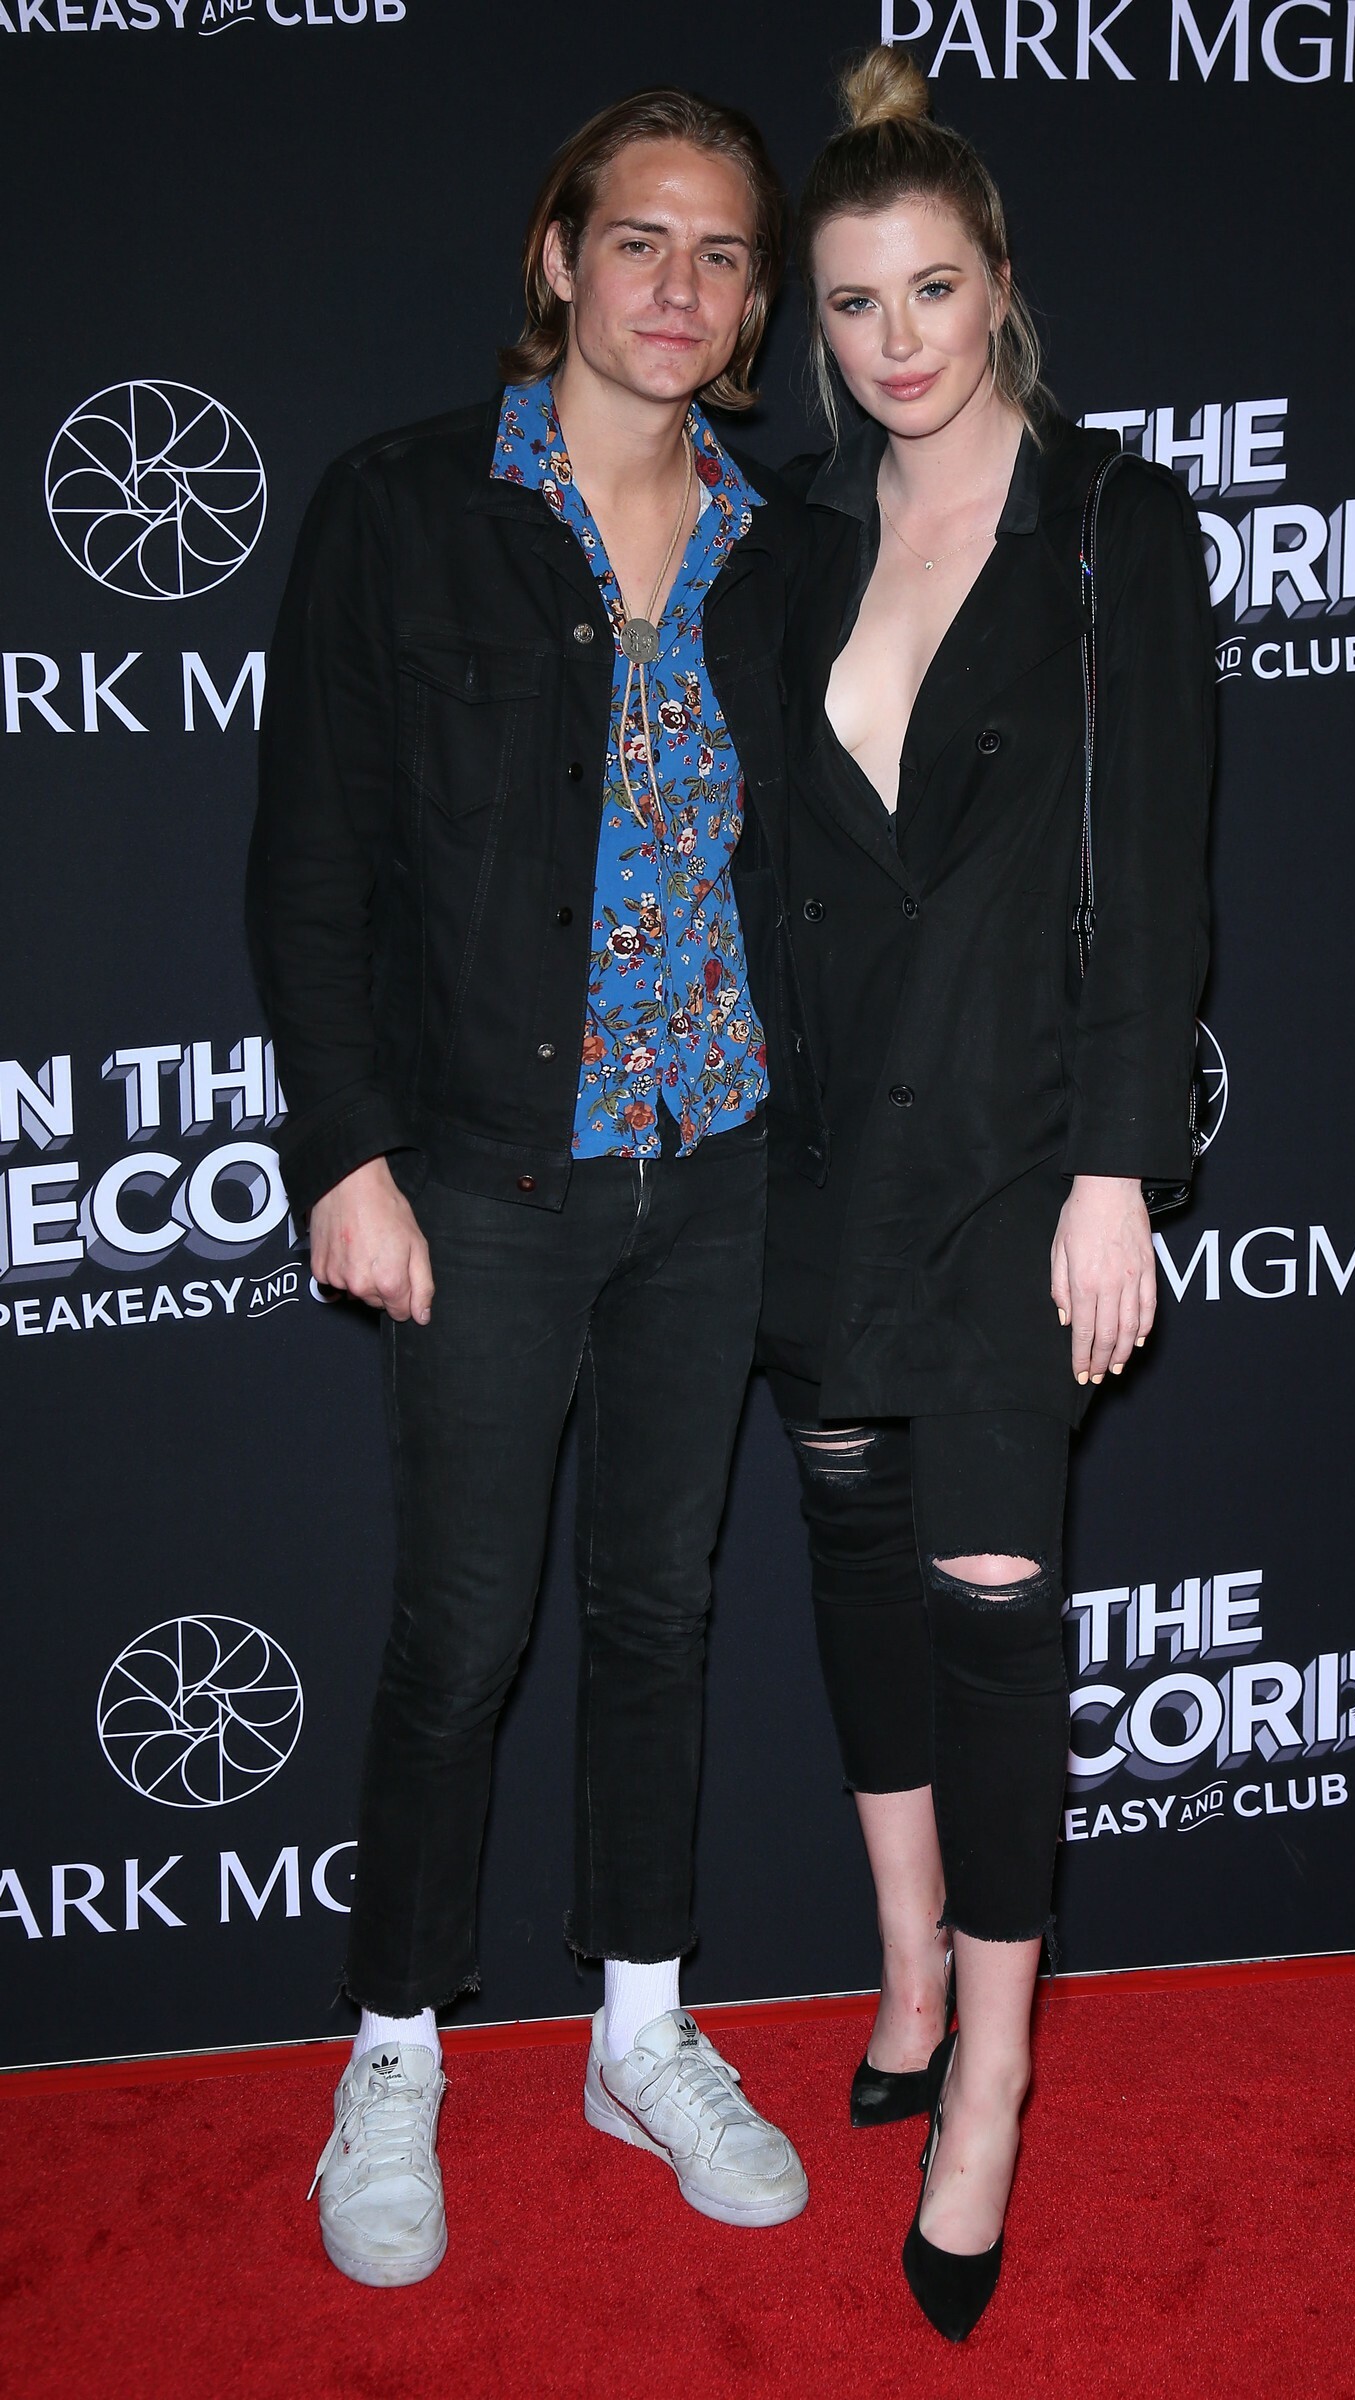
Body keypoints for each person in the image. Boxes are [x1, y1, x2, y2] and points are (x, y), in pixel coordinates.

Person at [247, 86, 823, 2288]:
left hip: (716, 1169)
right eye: (642, 240)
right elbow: (312, 866)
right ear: (560, 256)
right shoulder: (406, 508)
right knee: (465, 1632)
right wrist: (345, 1153)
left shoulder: (780, 547)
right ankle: (392, 2052)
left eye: (724, 255)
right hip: (480, 1176)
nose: (681, 286)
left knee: (663, 1615)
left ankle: (639, 2031)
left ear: (753, 308)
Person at [760, 49, 1213, 2340]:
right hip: (821, 1154)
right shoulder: (786, 545)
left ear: (1003, 279)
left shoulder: (1119, 529)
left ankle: (995, 2088)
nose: (896, 339)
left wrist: (1119, 1174)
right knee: (854, 1550)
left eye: (932, 287)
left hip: (1027, 1158)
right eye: (852, 302)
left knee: (996, 1604)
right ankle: (910, 1971)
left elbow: (1159, 892)